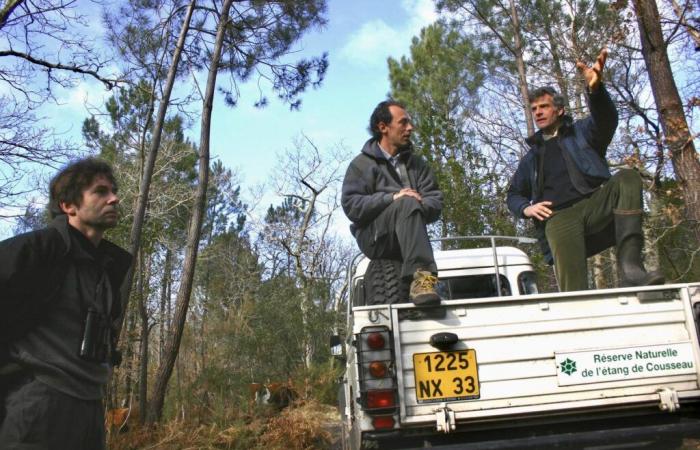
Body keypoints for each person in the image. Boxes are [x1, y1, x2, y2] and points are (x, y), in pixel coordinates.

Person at [0, 158, 132, 449]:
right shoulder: (36, 250)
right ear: (68, 206)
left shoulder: (109, 268)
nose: (114, 198)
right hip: (39, 403)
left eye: (113, 190)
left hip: (90, 406)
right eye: (100, 191)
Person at [506, 49, 664, 292]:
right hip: (558, 217)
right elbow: (513, 194)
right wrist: (527, 208)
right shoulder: (532, 157)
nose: (538, 112)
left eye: (544, 106)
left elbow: (606, 120)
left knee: (628, 177)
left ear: (559, 110)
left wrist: (596, 91)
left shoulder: (581, 132)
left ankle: (632, 268)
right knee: (574, 293)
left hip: (595, 205)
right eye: (534, 108)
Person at [342, 99, 443, 305]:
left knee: (408, 203)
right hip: (375, 238)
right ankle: (423, 279)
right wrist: (392, 198)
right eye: (403, 123)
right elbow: (352, 206)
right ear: (383, 127)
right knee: (406, 201)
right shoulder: (361, 165)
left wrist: (415, 204)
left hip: (408, 236)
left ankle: (419, 279)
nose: (410, 128)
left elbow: (435, 201)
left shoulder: (417, 165)